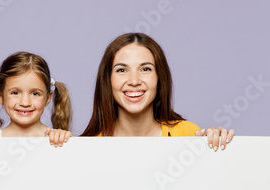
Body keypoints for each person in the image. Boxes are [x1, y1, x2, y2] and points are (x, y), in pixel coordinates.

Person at [82, 33, 234, 151]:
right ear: (107, 80)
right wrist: (58, 146)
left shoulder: (189, 134)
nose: (134, 81)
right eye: (122, 70)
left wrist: (220, 146)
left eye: (145, 69)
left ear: (159, 78)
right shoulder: (86, 146)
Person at [0, 51, 72, 148]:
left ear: (48, 98)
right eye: (15, 93)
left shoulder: (58, 139)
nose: (25, 102)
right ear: (0, 96)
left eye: (35, 93)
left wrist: (67, 143)